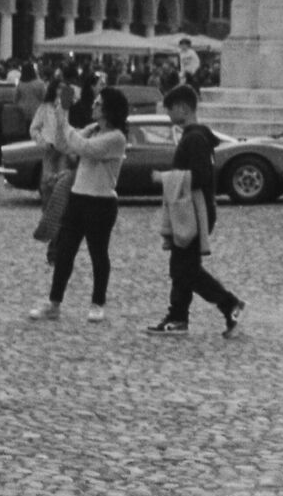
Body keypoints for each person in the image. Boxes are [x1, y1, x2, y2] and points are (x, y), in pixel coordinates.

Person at [147, 84, 245, 337]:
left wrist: (164, 178)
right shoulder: (199, 137)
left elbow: (201, 176)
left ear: (182, 108)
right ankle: (178, 316)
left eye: (169, 110)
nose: (168, 116)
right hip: (192, 209)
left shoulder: (194, 139)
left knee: (185, 269)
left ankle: (228, 304)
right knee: (182, 266)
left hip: (193, 211)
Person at [33, 86, 129, 323]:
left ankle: (98, 303)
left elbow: (84, 148)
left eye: (98, 103)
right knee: (64, 252)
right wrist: (60, 114)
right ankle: (54, 303)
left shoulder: (116, 138)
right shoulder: (93, 129)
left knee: (98, 254)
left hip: (101, 202)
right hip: (78, 198)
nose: (93, 106)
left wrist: (64, 118)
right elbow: (65, 144)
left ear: (109, 109)